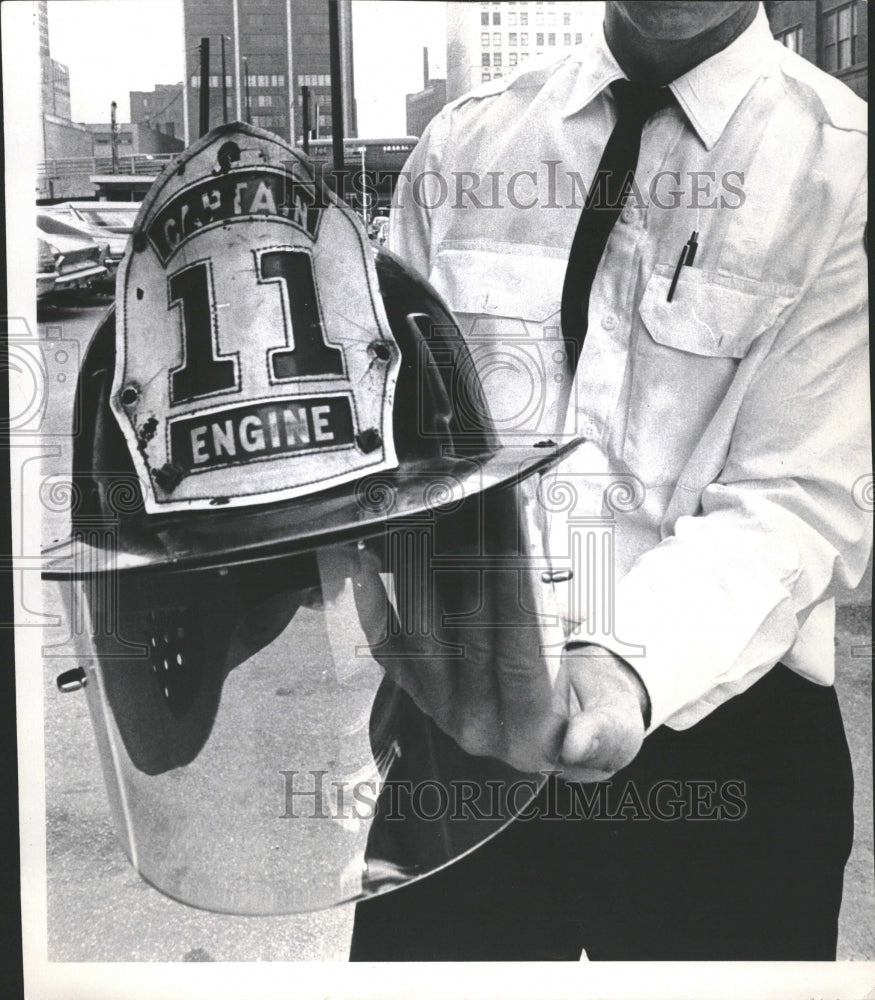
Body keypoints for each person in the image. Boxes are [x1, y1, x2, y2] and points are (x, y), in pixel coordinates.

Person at [350, 0, 869, 961]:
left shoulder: (842, 165)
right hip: (459, 719)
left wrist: (621, 663)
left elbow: (802, 495)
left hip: (727, 740)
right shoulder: (466, 141)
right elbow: (386, 438)